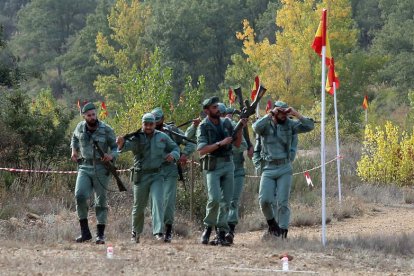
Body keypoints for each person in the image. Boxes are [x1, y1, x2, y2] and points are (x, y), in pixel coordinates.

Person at [252, 101, 314, 239]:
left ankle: (283, 232)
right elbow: (255, 128)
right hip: (268, 167)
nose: (283, 115)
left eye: (285, 112)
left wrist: (295, 113)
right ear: (275, 111)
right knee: (265, 200)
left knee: (282, 202)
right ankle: (272, 225)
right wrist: (270, 114)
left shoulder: (290, 124)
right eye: (280, 112)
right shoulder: (265, 124)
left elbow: (309, 126)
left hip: (284, 167)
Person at [116, 113, 180, 243]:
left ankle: (158, 232)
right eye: (146, 124)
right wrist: (121, 143)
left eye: (151, 124)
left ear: (155, 124)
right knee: (139, 206)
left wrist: (173, 155)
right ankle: (135, 233)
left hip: (157, 174)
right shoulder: (136, 138)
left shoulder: (162, 137)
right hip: (141, 175)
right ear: (142, 124)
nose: (148, 127)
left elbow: (175, 148)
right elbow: (123, 148)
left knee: (158, 201)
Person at [197, 96, 245, 246]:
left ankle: (222, 232)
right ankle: (207, 228)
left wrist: (241, 127)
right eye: (214, 108)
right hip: (213, 166)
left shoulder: (227, 123)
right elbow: (202, 150)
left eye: (217, 107)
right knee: (215, 198)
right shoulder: (203, 126)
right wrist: (220, 143)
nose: (217, 110)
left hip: (228, 164)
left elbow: (237, 144)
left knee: (226, 201)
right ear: (207, 111)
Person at [70, 102, 118, 244]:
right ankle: (85, 233)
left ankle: (100, 235)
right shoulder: (80, 127)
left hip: (101, 167)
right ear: (84, 116)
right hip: (84, 166)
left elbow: (116, 148)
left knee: (100, 201)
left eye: (93, 114)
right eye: (89, 115)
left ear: (96, 114)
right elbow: (74, 138)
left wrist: (111, 156)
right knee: (79, 195)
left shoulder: (106, 129)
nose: (92, 117)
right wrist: (74, 150)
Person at [151, 107, 196, 242]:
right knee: (156, 201)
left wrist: (183, 154)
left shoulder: (172, 131)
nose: (155, 124)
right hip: (153, 170)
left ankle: (168, 230)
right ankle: (158, 231)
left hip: (170, 170)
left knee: (169, 201)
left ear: (163, 119)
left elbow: (190, 142)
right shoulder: (147, 131)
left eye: (158, 121)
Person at [223, 106, 248, 244]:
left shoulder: (235, 127)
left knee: (233, 201)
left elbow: (242, 145)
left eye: (227, 114)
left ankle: (230, 231)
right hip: (220, 171)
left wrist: (228, 147)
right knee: (220, 202)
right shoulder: (213, 129)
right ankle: (220, 230)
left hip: (236, 170)